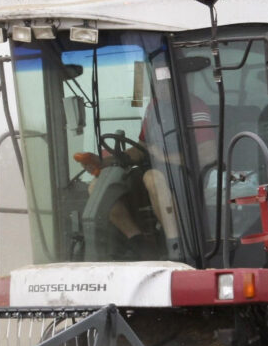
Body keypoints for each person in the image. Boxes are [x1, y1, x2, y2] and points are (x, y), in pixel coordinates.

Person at [74, 93, 216, 259]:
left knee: (152, 177)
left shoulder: (194, 106)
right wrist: (105, 162)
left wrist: (163, 157)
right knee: (100, 185)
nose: (159, 85)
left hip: (186, 174)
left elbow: (208, 154)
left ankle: (176, 247)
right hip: (156, 168)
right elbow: (142, 149)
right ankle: (139, 242)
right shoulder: (153, 107)